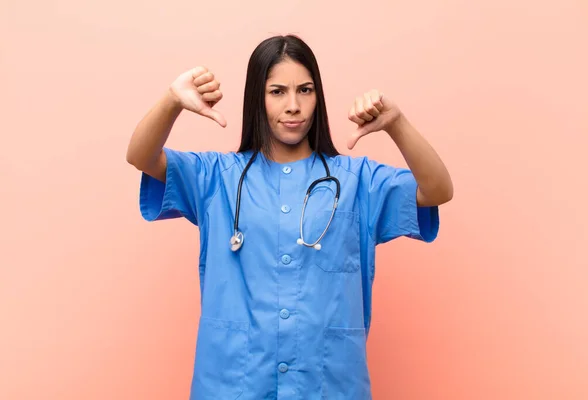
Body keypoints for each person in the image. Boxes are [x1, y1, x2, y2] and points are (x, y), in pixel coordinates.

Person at [126, 34, 453, 400]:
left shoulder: (358, 181)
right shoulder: (216, 177)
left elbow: (438, 190)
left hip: (328, 385)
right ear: (257, 98)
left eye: (306, 90)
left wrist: (396, 123)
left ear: (318, 98)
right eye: (277, 91)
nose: (294, 105)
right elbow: (141, 155)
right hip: (232, 384)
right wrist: (172, 101)